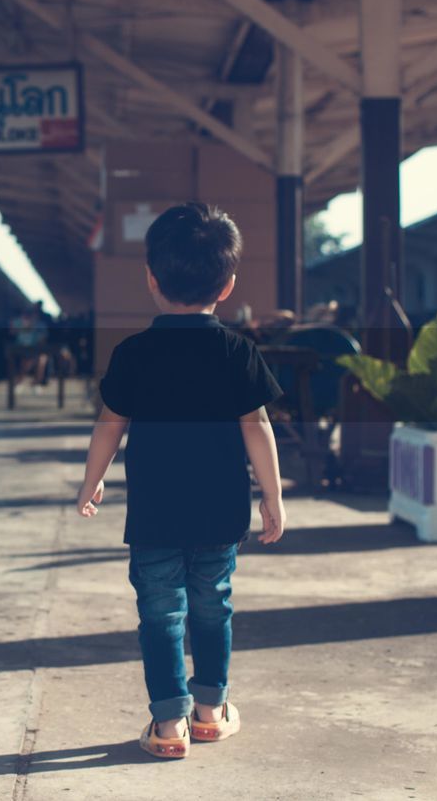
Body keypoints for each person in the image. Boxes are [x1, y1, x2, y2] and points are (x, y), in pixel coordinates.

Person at [75, 202, 286, 760]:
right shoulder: (238, 351)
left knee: (161, 613)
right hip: (220, 512)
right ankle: (212, 712)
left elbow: (109, 426)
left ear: (151, 279)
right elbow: (258, 427)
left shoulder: (134, 353)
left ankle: (169, 726)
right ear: (228, 284)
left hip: (155, 515)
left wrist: (91, 482)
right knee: (213, 604)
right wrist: (273, 495)